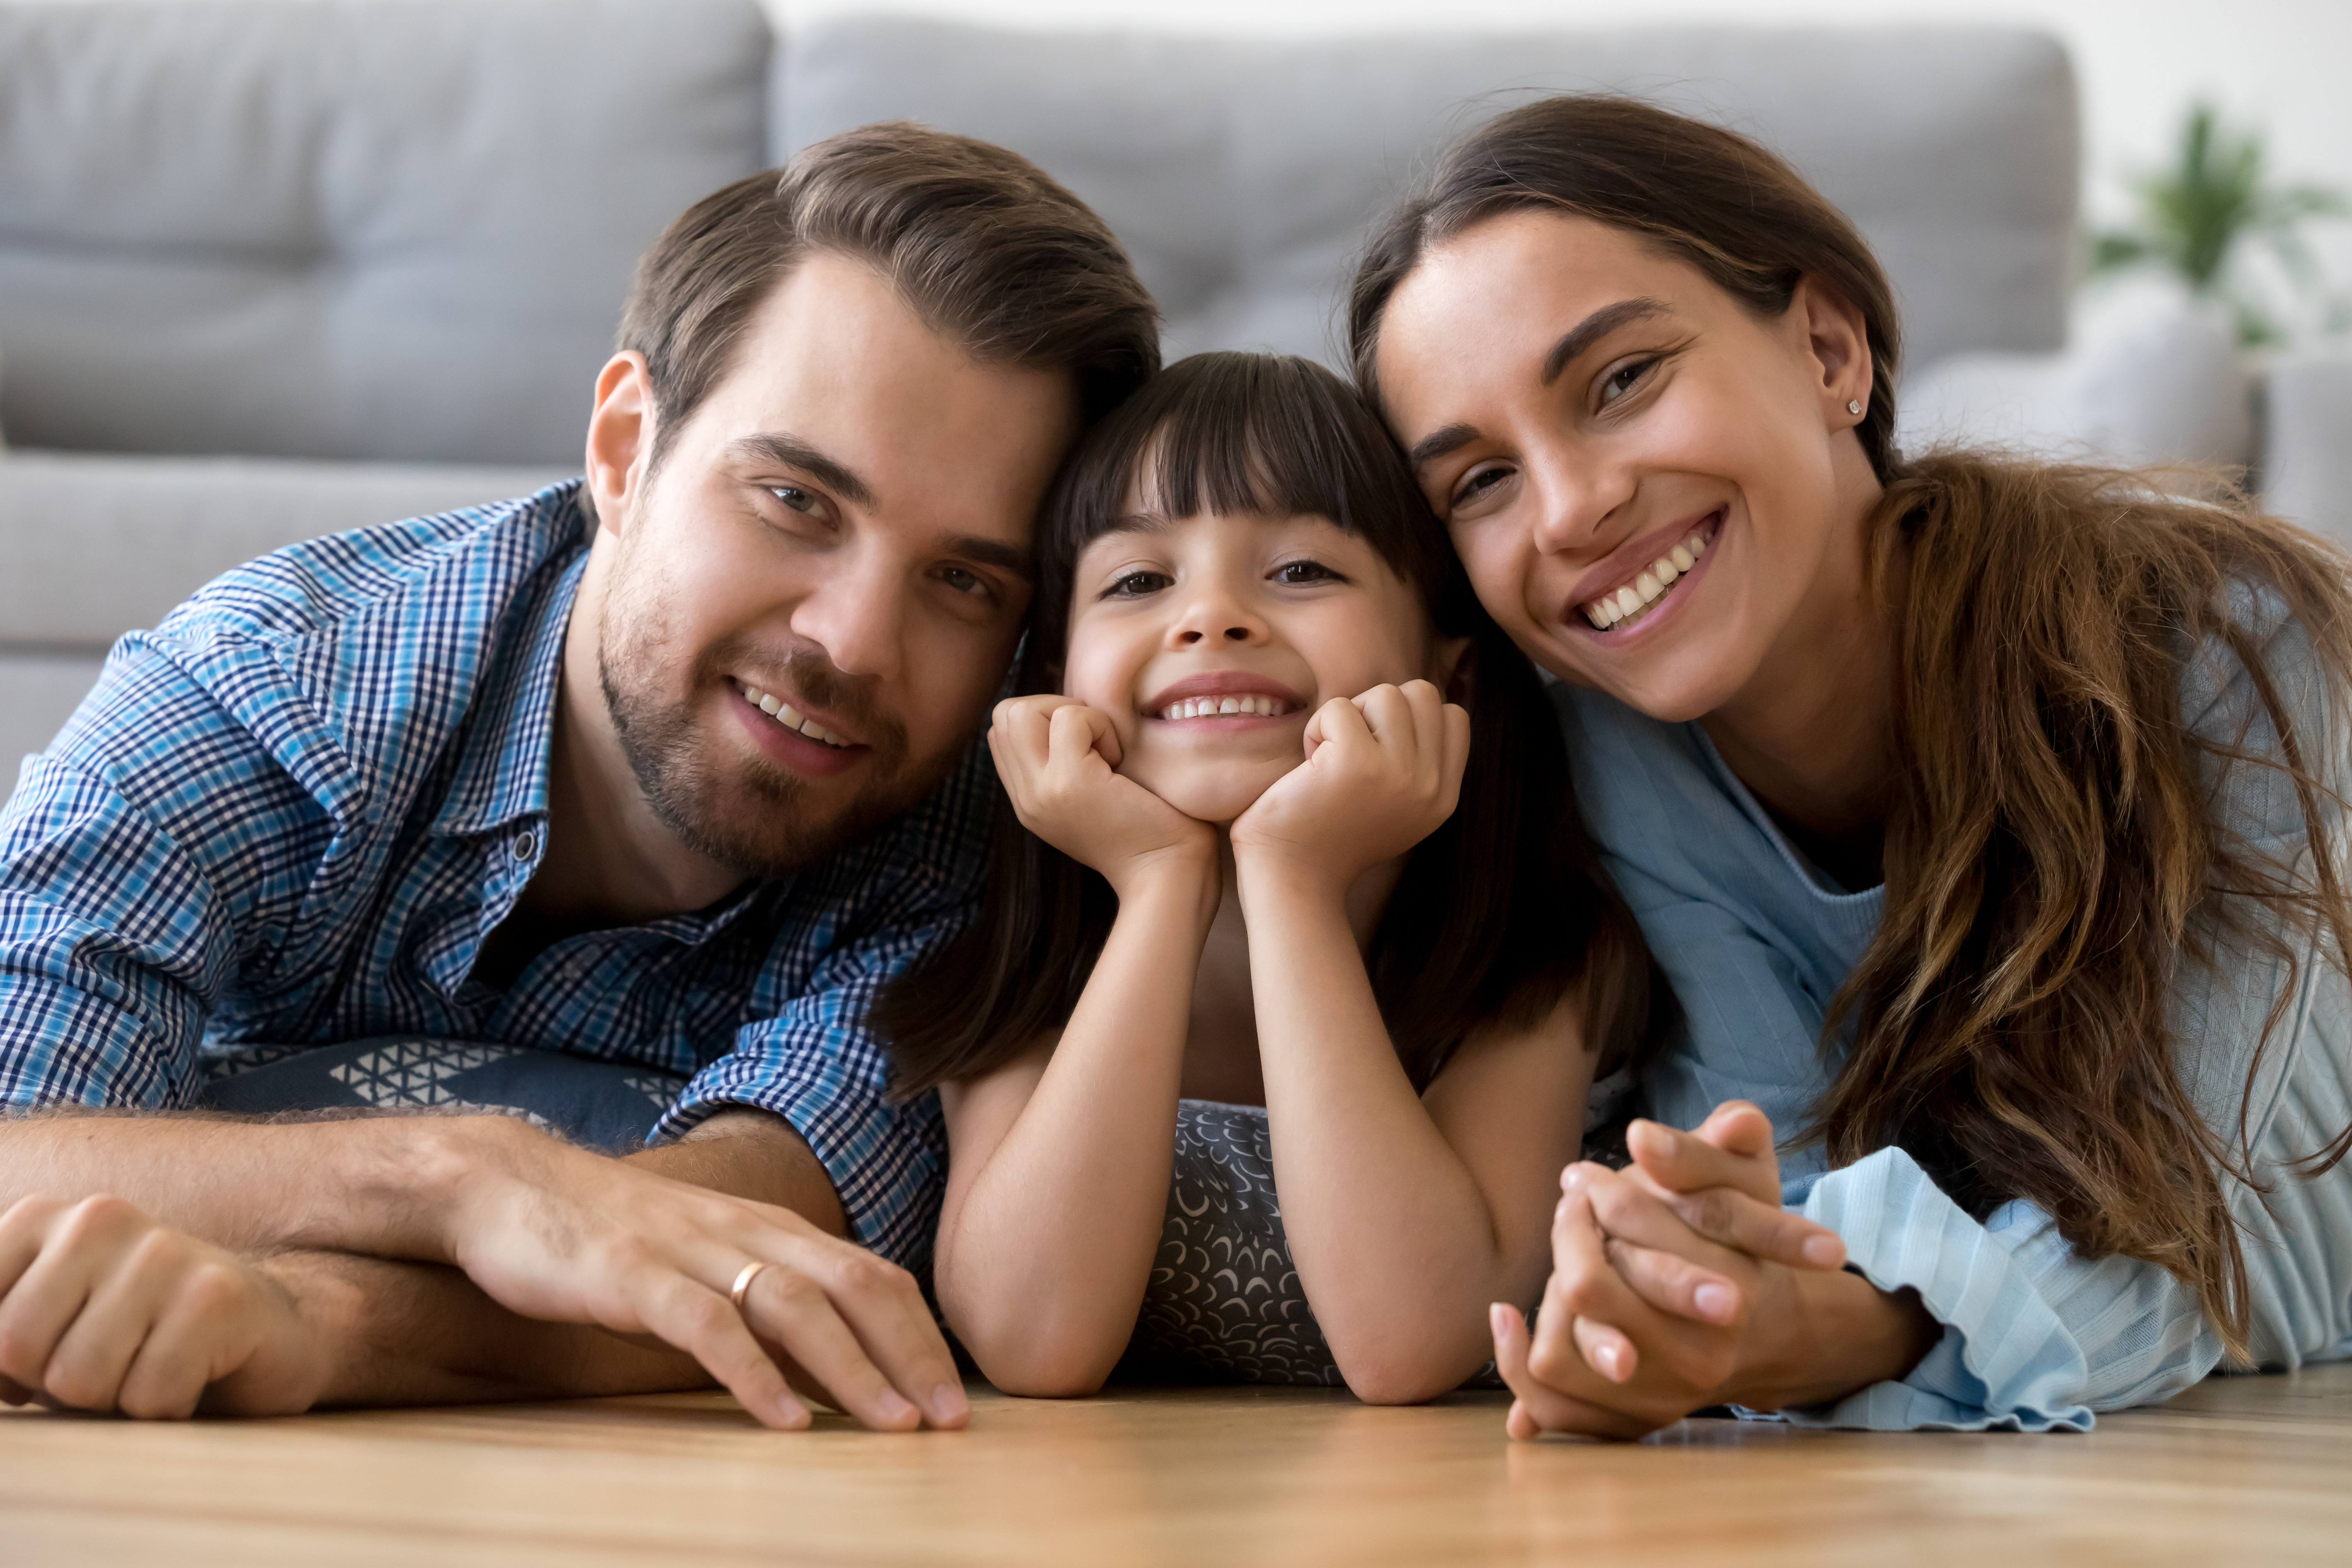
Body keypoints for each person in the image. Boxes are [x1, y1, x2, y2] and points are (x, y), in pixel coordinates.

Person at [0, 124, 1158, 1427]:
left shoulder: (986, 839)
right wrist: (453, 1180)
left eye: (962, 581)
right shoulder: (270, 694)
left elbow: (760, 1239)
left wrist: (317, 1320)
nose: (852, 644)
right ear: (622, 451)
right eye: (794, 501)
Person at [1349, 95, 2352, 1435]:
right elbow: (1784, 1195)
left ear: (1829, 350)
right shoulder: (1608, 758)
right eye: (1478, 482)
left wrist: (1813, 1327)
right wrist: (1691, 1288)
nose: (1570, 507)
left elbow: (2192, 1233)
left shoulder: (2219, 638)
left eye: (1621, 380)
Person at [870, 352, 1665, 1402]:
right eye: (1138, 581)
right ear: (1054, 675)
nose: (1209, 619)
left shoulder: (1538, 960)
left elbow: (1413, 1339)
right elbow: (1033, 1338)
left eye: (1300, 570)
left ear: (1448, 662)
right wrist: (1159, 881)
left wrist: (1290, 879)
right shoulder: (1026, 958)